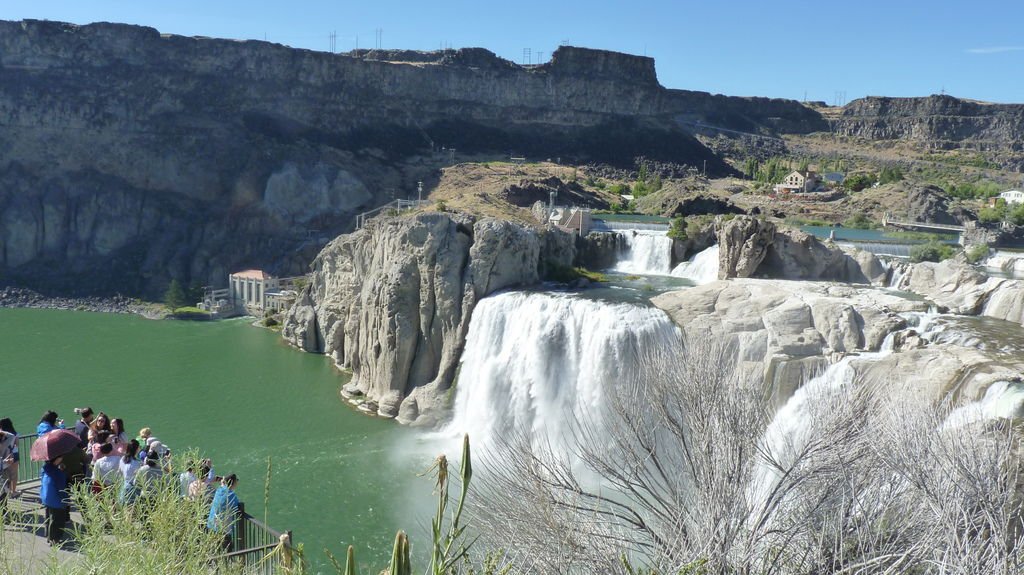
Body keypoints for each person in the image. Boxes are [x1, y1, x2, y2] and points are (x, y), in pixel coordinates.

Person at [207, 474, 241, 552]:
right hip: (222, 529)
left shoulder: (219, 491)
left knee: (214, 550)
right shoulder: (231, 494)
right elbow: (236, 507)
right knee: (226, 550)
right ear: (233, 483)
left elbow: (223, 487)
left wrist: (223, 483)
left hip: (211, 525)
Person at [40, 455, 70, 546]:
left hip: (46, 496)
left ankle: (48, 536)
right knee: (57, 520)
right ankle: (54, 539)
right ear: (56, 459)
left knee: (49, 517)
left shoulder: (44, 468)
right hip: (56, 500)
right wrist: (66, 500)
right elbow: (61, 489)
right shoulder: (58, 473)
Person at [118, 440, 143, 505]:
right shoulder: (137, 462)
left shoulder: (123, 459)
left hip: (124, 484)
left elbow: (120, 472)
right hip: (134, 487)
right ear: (137, 449)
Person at [0, 418, 19, 497]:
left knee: (6, 475)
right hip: (14, 454)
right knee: (14, 474)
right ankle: (13, 491)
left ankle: (6, 490)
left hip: (4, 457)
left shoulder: (2, 437)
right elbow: (16, 445)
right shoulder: (15, 434)